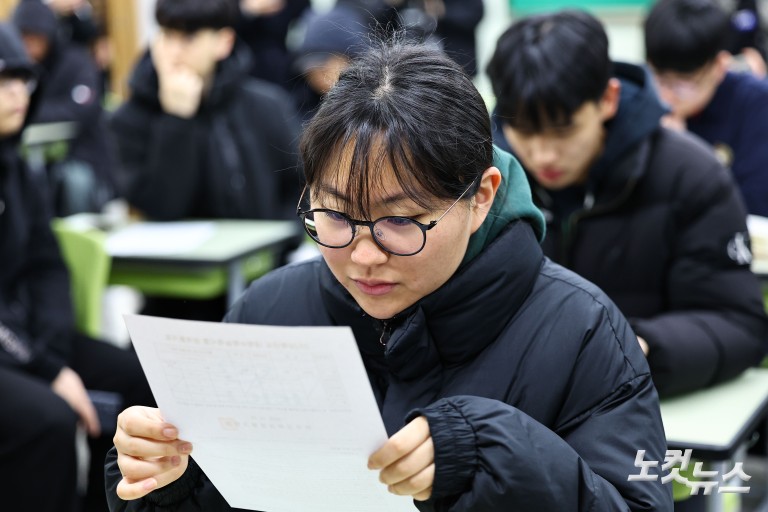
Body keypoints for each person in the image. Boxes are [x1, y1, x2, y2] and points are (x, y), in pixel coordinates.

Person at [104, 39, 673, 511]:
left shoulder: (582, 331)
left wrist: (494, 458)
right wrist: (163, 479)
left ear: (480, 197)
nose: (363, 255)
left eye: (400, 221)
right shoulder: (269, 314)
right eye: (333, 215)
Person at [487, 9, 768, 398]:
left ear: (608, 98)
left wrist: (640, 347)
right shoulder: (486, 182)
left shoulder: (690, 175)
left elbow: (739, 325)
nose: (542, 154)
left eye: (563, 130)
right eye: (523, 130)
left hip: (643, 409)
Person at [0, 22, 154, 512]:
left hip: (23, 341)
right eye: (1, 82)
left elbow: (47, 266)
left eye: (22, 80)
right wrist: (47, 368)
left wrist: (53, 350)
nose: (16, 95)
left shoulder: (19, 169)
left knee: (135, 381)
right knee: (47, 418)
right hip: (11, 350)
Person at [109, 0, 303, 321]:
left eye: (188, 38)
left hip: (267, 284)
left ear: (223, 42)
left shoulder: (266, 105)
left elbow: (300, 185)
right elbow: (163, 207)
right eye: (167, 35)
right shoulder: (131, 118)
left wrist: (282, 245)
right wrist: (177, 121)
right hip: (176, 295)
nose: (173, 51)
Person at [645, 0, 768, 217]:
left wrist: (681, 152)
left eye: (683, 83)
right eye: (660, 78)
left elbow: (753, 206)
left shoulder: (756, 104)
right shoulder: (643, 97)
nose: (667, 95)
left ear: (719, 66)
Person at [12, 0, 117, 216]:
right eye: (23, 38)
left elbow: (81, 110)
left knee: (74, 180)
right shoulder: (18, 73)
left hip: (85, 159)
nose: (29, 46)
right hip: (35, 160)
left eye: (36, 38)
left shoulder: (76, 62)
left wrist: (28, 112)